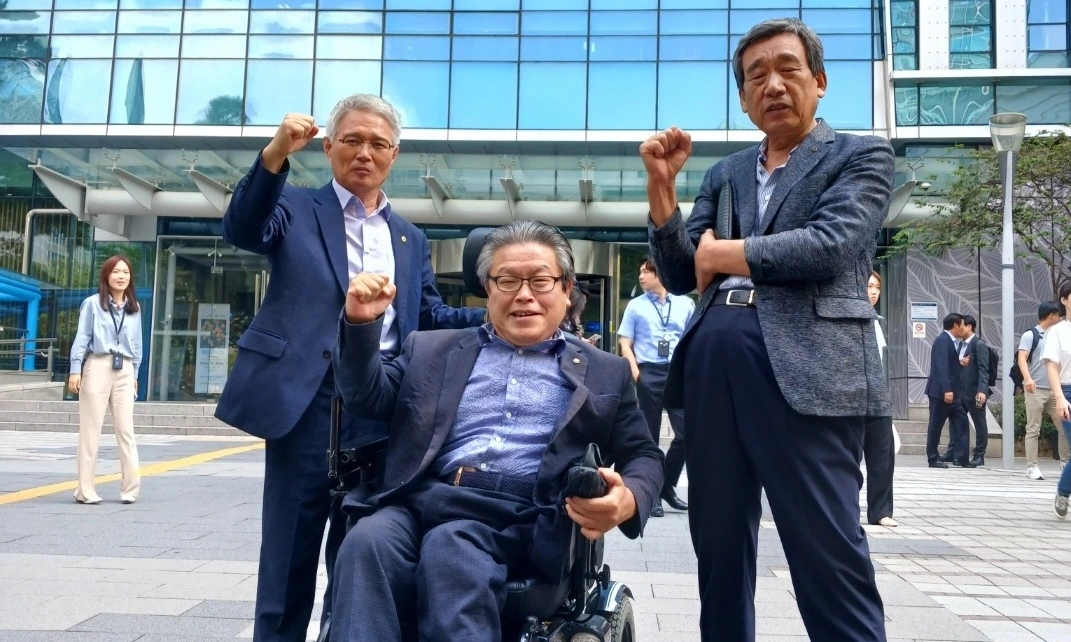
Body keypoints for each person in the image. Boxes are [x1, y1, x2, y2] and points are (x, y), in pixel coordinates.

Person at [641, 18, 893, 641]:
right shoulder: (726, 172)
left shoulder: (860, 155)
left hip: (810, 366)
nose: (773, 85)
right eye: (757, 76)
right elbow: (679, 272)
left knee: (827, 546)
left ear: (820, 81)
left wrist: (723, 254)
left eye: (788, 69)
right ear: (744, 97)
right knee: (718, 543)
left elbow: (829, 245)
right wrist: (662, 191)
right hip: (712, 362)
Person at [213, 94, 485, 642]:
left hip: (381, 405)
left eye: (378, 144)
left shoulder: (409, 237)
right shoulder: (294, 206)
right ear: (329, 146)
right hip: (307, 402)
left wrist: (499, 314)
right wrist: (274, 154)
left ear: (394, 155)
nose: (365, 153)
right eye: (353, 140)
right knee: (288, 555)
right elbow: (243, 228)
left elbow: (428, 315)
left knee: (358, 552)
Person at [329, 220, 664, 641]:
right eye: (507, 281)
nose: (524, 294)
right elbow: (365, 398)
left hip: (520, 515)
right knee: (366, 541)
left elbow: (644, 455)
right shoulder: (430, 349)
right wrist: (361, 324)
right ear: (488, 289)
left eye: (540, 280)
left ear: (566, 288)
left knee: (452, 547)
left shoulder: (606, 372)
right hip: (421, 499)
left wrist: (628, 499)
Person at [618, 257, 695, 517]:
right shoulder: (635, 306)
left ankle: (666, 486)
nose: (641, 276)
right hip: (648, 373)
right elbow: (625, 343)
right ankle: (651, 495)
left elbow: (690, 339)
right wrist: (637, 375)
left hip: (676, 373)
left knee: (686, 434)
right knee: (649, 438)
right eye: (639, 272)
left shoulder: (685, 303)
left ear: (659, 273)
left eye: (646, 272)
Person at [67, 255, 143, 505]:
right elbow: (82, 337)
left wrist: (135, 374)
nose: (121, 276)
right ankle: (85, 490)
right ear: (106, 276)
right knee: (90, 431)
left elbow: (137, 344)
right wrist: (75, 369)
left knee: (126, 430)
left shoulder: (134, 307)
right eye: (116, 272)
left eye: (126, 272)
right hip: (97, 364)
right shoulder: (92, 304)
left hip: (125, 368)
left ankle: (130, 489)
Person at [1020, 301, 1068, 480]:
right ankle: (1032, 466)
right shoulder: (1030, 335)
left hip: (1056, 391)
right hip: (1036, 389)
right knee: (1033, 429)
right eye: (1059, 316)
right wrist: (1027, 378)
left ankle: (1065, 463)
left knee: (1064, 427)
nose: (1061, 319)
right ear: (1051, 316)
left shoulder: (1059, 334)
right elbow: (1022, 358)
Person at [863, 271, 896, 526]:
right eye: (869, 286)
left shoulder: (876, 320)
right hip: (851, 397)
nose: (874, 291)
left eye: (877, 287)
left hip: (877, 396)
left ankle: (881, 511)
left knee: (883, 454)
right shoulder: (851, 319)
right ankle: (843, 509)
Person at [926, 313, 973, 468]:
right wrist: (947, 389)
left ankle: (962, 458)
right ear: (955, 325)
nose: (964, 328)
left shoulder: (950, 341)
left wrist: (960, 362)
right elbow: (941, 366)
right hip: (941, 393)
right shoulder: (942, 340)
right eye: (962, 324)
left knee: (962, 422)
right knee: (936, 425)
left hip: (954, 393)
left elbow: (949, 364)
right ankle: (933, 458)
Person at [1044, 280, 1071, 519]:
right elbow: (1052, 367)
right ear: (1064, 300)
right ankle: (1063, 492)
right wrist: (1060, 397)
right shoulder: (1057, 331)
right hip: (1068, 391)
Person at [956, 315, 989, 467]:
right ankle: (957, 453)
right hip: (961, 391)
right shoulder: (960, 345)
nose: (958, 328)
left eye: (961, 325)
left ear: (969, 327)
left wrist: (982, 390)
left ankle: (979, 455)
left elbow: (984, 369)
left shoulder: (978, 344)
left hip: (975, 392)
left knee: (979, 423)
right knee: (957, 422)